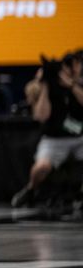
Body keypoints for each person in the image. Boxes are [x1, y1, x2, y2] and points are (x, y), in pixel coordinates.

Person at [12, 51, 83, 207]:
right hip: (54, 140)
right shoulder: (49, 88)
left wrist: (72, 85)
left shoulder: (78, 85)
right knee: (41, 167)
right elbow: (40, 116)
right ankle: (30, 189)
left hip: (79, 139)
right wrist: (45, 86)